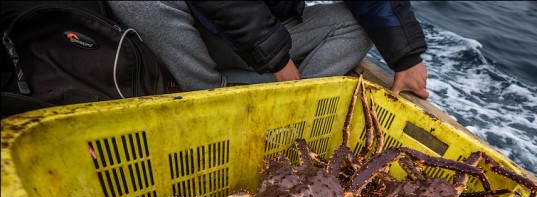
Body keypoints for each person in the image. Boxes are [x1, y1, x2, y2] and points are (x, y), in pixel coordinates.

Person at [107, 1, 429, 99]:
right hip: (187, 33)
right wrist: (277, 59)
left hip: (258, 37)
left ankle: (284, 102)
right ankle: (210, 92)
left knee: (355, 24)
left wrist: (407, 57)